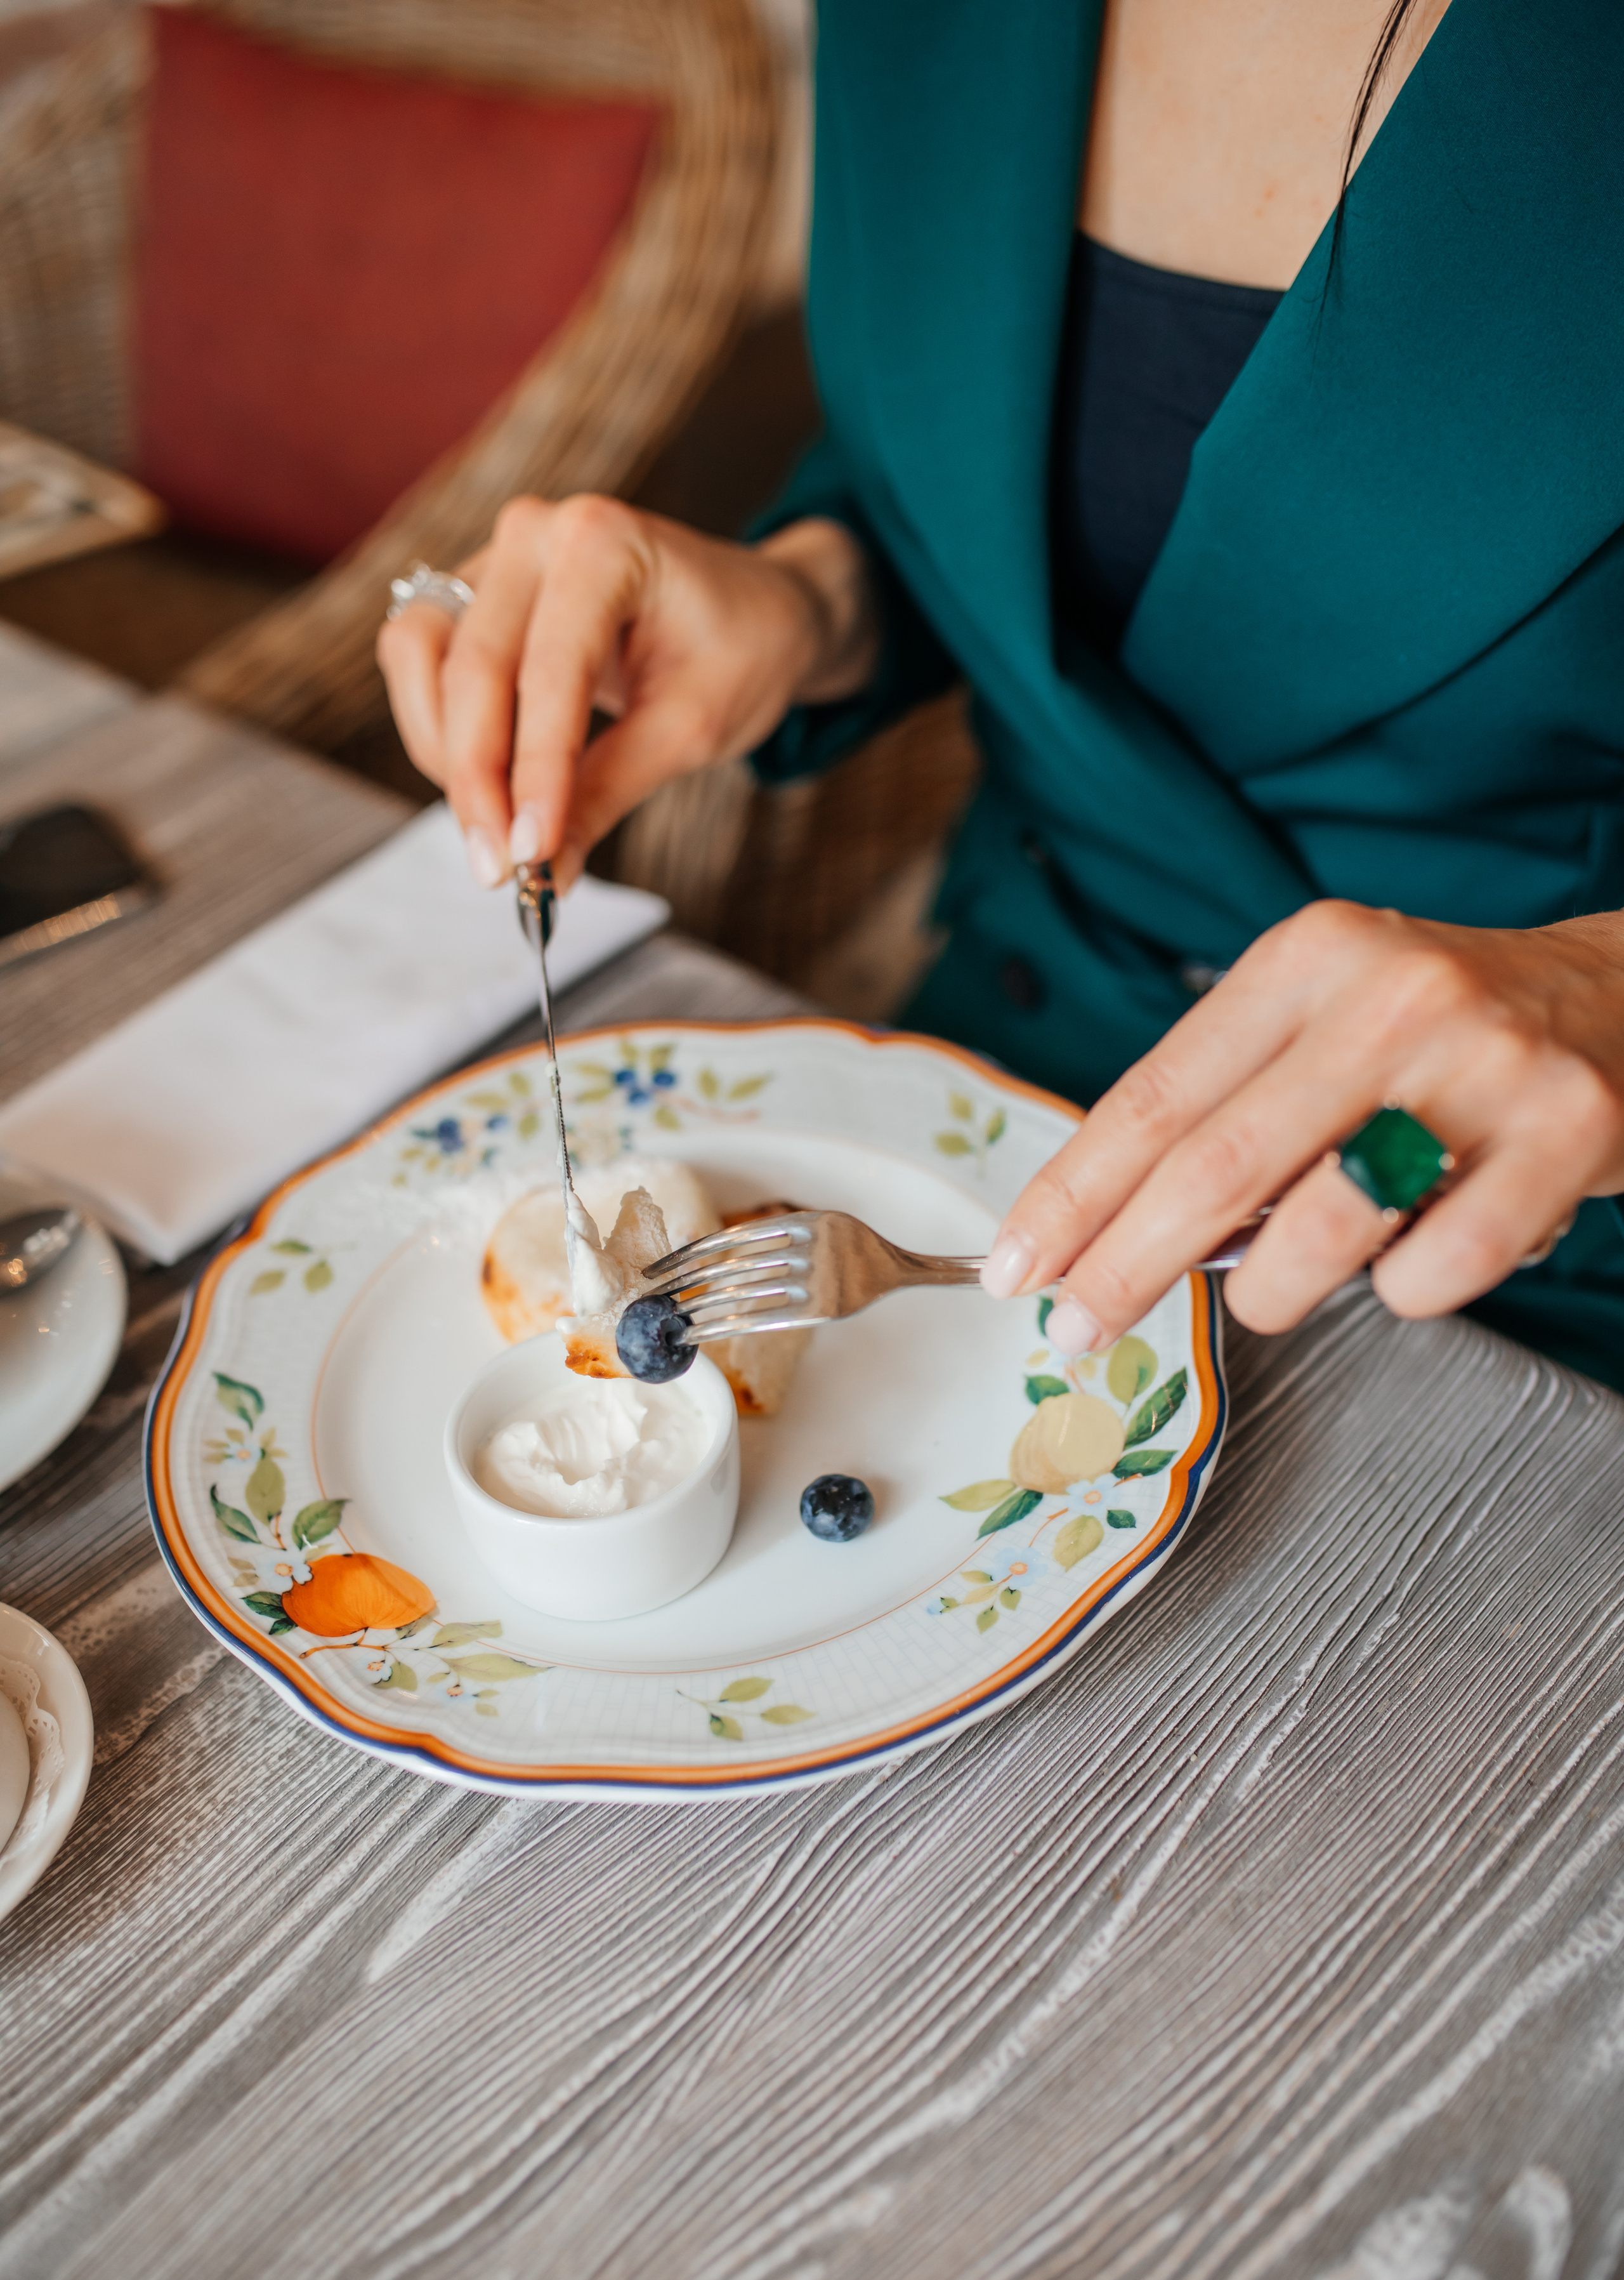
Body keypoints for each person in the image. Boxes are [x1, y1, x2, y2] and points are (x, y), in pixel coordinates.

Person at [378, 0, 1624, 1393]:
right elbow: (1015, 487)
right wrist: (808, 596)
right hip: (981, 1111)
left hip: (1522, 1265)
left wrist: (1597, 995)